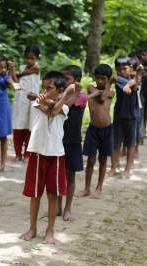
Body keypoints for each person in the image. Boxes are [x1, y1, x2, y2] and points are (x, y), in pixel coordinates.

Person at [20, 71, 74, 244]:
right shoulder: (38, 102)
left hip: (55, 155)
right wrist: (66, 93)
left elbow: (54, 110)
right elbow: (48, 108)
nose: (44, 90)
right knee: (35, 194)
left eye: (49, 88)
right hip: (37, 152)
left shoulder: (64, 107)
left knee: (52, 195)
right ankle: (32, 228)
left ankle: (50, 231)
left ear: (59, 91)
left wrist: (65, 95)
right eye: (43, 87)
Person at [77, 64, 114, 199]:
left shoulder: (111, 92)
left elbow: (104, 97)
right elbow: (100, 96)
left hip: (107, 130)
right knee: (91, 160)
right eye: (97, 78)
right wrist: (109, 83)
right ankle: (87, 188)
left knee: (103, 159)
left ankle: (99, 187)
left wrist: (109, 85)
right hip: (93, 130)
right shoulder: (91, 88)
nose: (100, 82)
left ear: (108, 79)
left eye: (103, 79)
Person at [58, 65, 86, 221]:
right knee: (58, 175)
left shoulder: (81, 97)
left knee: (70, 175)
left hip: (73, 141)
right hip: (58, 140)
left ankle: (68, 208)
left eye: (67, 79)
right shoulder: (60, 95)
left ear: (77, 81)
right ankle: (58, 207)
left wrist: (73, 92)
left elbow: (65, 108)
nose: (63, 82)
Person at [108, 56, 142, 178]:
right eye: (119, 69)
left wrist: (130, 83)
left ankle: (127, 169)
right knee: (116, 143)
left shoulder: (135, 80)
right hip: (118, 115)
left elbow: (134, 84)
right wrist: (126, 83)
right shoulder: (117, 79)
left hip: (132, 117)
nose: (122, 71)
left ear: (131, 68)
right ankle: (113, 167)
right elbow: (115, 80)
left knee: (130, 144)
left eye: (125, 69)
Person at [12, 45, 41, 161]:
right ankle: (18, 153)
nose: (29, 60)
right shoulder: (22, 67)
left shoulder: (36, 68)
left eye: (32, 58)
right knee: (19, 126)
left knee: (30, 126)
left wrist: (18, 73)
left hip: (32, 101)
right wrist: (12, 69)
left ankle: (28, 153)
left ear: (37, 58)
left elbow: (19, 75)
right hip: (21, 99)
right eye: (27, 58)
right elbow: (15, 82)